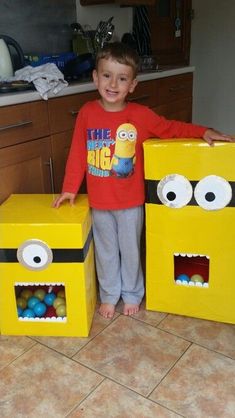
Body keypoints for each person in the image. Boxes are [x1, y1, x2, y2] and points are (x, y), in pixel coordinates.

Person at [53, 42, 234, 319]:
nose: (113, 84)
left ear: (132, 85)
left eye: (122, 78)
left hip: (130, 202)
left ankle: (133, 293)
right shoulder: (87, 112)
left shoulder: (140, 116)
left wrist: (204, 131)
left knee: (129, 250)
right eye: (106, 75)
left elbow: (171, 128)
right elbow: (78, 151)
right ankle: (110, 294)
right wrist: (69, 188)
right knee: (106, 251)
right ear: (95, 77)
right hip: (99, 202)